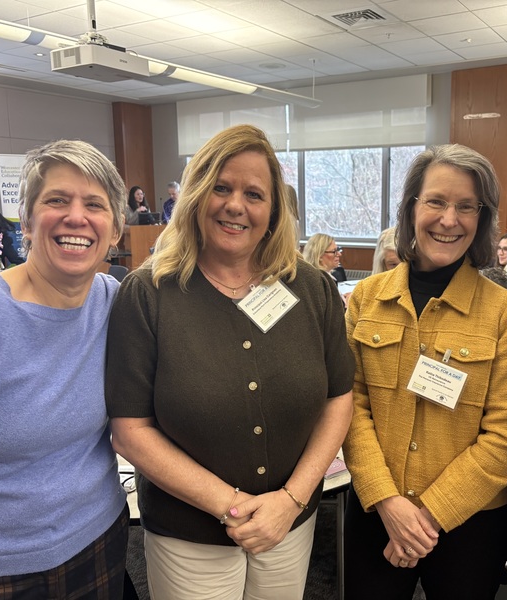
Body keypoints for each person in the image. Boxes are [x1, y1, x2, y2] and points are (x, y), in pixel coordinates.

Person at [105, 124, 355, 600]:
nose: (235, 205)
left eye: (254, 193)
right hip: (188, 533)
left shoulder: (310, 288)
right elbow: (129, 430)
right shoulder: (149, 294)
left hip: (289, 523)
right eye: (221, 187)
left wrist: (290, 500)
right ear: (197, 194)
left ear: (274, 209)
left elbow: (338, 401)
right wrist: (233, 507)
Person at [0, 140, 129, 598]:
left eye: (95, 204)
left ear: (114, 230)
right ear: (28, 221)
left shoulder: (116, 301)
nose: (76, 216)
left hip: (99, 544)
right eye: (57, 200)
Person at [343, 144, 507, 600]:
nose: (450, 219)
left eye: (467, 206)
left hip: (470, 523)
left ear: (482, 219)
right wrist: (389, 504)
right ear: (411, 208)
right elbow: (348, 408)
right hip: (375, 511)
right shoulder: (365, 299)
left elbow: (506, 434)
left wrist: (424, 518)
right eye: (437, 202)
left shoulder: (505, 312)